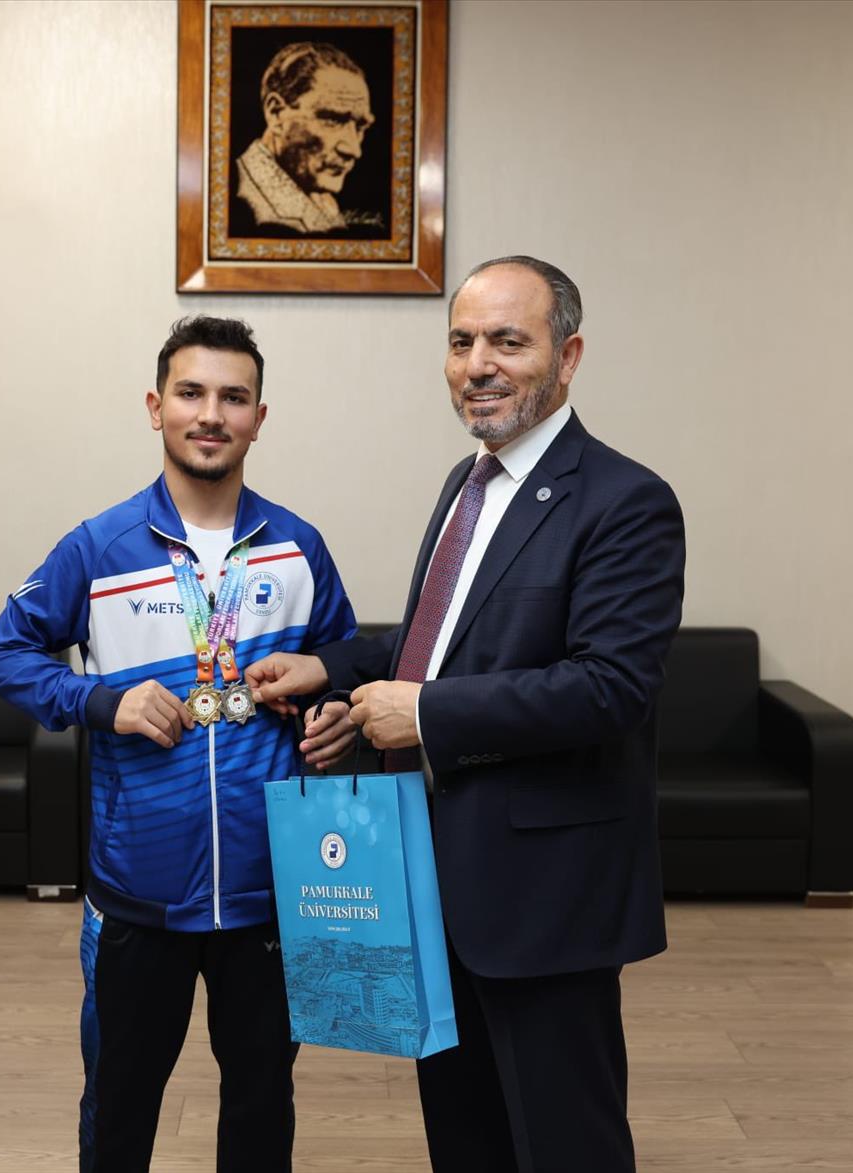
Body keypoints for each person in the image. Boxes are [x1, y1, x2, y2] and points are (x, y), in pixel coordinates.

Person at [246, 256, 685, 1172]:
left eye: (507, 341)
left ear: (568, 357)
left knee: (566, 1143)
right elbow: (439, 638)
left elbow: (610, 686)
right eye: (462, 341)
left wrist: (428, 715)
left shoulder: (627, 501)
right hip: (433, 878)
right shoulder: (467, 482)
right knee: (464, 1135)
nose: (478, 363)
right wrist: (333, 666)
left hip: (543, 897)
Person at [0, 315, 359, 1173]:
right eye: (191, 393)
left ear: (260, 417)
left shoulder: (299, 547)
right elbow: (1, 653)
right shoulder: (100, 546)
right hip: (137, 895)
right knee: (120, 1106)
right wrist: (100, 700)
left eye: (233, 397)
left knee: (262, 1103)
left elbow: (342, 661)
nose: (211, 414)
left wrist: (332, 703)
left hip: (269, 894)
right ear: (156, 407)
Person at [233, 41, 377, 236]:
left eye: (360, 127)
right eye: (333, 120)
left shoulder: (320, 198)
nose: (354, 150)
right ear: (276, 113)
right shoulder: (242, 205)